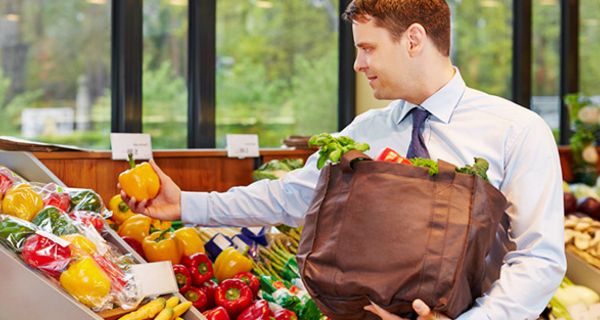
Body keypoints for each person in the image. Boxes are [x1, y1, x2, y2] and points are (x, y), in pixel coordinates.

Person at [123, 0, 566, 319]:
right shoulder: (364, 132)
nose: (357, 63)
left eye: (368, 48)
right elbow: (290, 198)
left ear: (414, 39)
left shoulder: (516, 130)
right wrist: (186, 205)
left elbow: (539, 260)